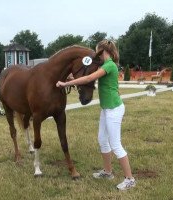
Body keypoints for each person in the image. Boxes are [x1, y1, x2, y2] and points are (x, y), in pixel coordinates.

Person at [56, 39, 136, 190]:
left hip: (114, 109)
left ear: (102, 51)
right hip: (106, 109)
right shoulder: (104, 65)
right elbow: (86, 78)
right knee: (102, 140)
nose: (95, 55)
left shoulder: (110, 65)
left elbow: (88, 78)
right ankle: (107, 172)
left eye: (96, 52)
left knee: (116, 145)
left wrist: (66, 84)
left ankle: (130, 179)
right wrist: (70, 78)